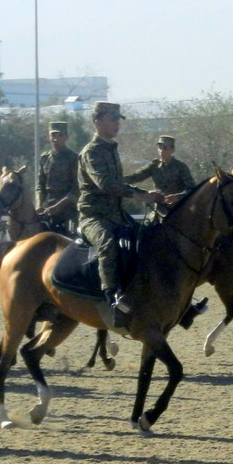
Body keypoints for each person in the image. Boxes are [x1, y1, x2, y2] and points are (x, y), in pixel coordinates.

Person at [77, 102, 164, 327]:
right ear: (98, 121)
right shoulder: (92, 152)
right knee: (107, 245)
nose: (117, 123)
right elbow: (105, 184)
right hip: (93, 216)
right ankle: (112, 301)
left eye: (118, 118)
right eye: (112, 118)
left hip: (116, 215)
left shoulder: (111, 149)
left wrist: (148, 194)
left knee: (148, 240)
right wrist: (139, 196)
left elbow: (119, 183)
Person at [123, 134, 196, 221]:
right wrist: (116, 180)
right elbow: (135, 177)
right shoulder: (154, 166)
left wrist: (178, 197)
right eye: (160, 148)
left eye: (165, 148)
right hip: (159, 211)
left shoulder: (180, 167)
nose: (161, 151)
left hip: (177, 212)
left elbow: (192, 189)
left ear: (172, 150)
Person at [35, 121, 79, 234]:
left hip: (68, 211)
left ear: (66, 137)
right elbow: (40, 185)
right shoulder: (45, 158)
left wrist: (57, 207)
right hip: (48, 209)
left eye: (60, 135)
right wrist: (39, 203)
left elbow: (75, 190)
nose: (56, 139)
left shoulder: (73, 158)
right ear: (49, 137)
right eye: (53, 135)